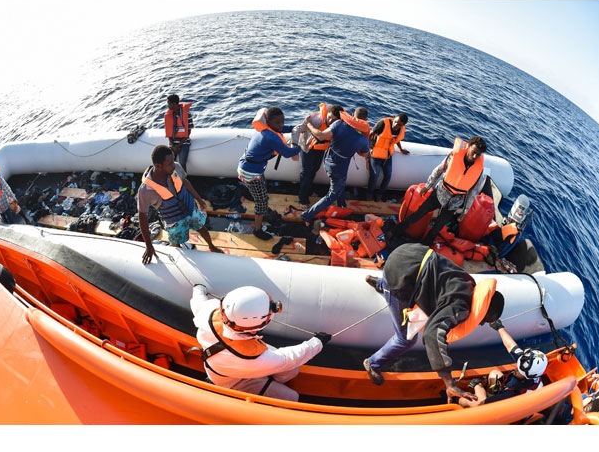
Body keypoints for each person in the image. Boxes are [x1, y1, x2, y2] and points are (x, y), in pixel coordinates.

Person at [362, 243, 504, 403]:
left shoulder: (468, 282)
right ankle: (373, 363)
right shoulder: (461, 308)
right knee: (406, 339)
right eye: (483, 320)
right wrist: (450, 383)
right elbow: (432, 333)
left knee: (417, 288)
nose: (480, 324)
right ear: (482, 311)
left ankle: (380, 284)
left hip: (406, 253)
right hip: (400, 275)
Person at [191, 284, 331, 401]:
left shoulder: (209, 312)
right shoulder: (252, 358)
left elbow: (198, 302)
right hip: (234, 382)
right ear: (256, 327)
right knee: (291, 397)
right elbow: (288, 358)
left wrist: (199, 289)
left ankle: (267, 379)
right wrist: (317, 342)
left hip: (223, 367)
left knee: (291, 369)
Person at [394, 136, 487, 246]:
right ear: (468, 147)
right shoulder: (453, 156)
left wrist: (465, 211)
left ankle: (425, 246)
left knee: (437, 227)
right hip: (439, 194)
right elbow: (439, 170)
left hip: (454, 203)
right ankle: (396, 231)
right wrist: (428, 185)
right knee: (418, 214)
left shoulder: (479, 170)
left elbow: (472, 191)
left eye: (478, 154)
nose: (475, 156)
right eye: (474, 152)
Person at [137, 145, 222, 264]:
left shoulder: (175, 167)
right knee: (176, 244)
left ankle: (211, 246)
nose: (174, 165)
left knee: (201, 227)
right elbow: (142, 216)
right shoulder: (145, 190)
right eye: (170, 163)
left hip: (190, 208)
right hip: (175, 221)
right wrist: (149, 246)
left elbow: (185, 182)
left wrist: (199, 199)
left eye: (173, 161)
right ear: (158, 166)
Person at [238, 107, 301, 240]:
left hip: (250, 167)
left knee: (261, 193)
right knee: (261, 202)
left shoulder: (267, 129)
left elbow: (282, 129)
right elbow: (287, 153)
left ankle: (254, 197)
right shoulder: (271, 137)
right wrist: (301, 147)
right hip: (251, 172)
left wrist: (299, 127)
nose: (281, 125)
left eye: (282, 121)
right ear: (269, 121)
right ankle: (257, 230)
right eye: (278, 122)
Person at [300, 107, 371, 224]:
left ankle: (341, 204)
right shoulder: (363, 139)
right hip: (338, 169)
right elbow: (363, 153)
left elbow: (321, 135)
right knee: (332, 195)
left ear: (353, 114)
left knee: (340, 184)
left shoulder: (338, 123)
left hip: (327, 161)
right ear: (366, 120)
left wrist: (308, 124)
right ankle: (306, 215)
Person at [458, 319, 549, 408]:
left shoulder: (513, 394)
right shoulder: (530, 368)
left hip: (504, 407)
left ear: (525, 376)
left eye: (518, 370)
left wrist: (478, 387)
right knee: (494, 374)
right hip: (506, 391)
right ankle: (489, 394)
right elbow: (511, 346)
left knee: (462, 401)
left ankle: (462, 400)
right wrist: (499, 327)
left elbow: (483, 405)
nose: (516, 368)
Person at [297, 103, 343, 208]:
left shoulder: (338, 124)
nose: (330, 121)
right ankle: (302, 199)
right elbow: (301, 130)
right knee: (306, 172)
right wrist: (301, 146)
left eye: (334, 120)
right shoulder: (317, 120)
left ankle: (308, 191)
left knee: (315, 169)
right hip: (307, 145)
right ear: (328, 113)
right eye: (330, 117)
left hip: (320, 147)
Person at [367, 113, 410, 202]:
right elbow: (371, 134)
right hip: (375, 152)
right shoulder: (383, 124)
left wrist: (401, 149)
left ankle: (379, 195)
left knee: (388, 176)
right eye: (395, 122)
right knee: (375, 175)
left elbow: (396, 139)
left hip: (387, 154)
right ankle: (369, 195)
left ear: (403, 125)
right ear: (394, 119)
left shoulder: (401, 129)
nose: (395, 125)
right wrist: (368, 148)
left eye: (399, 124)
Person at [164, 94, 194, 172]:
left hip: (184, 143)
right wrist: (173, 146)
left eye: (169, 103)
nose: (168, 105)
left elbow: (188, 132)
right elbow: (169, 132)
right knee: (168, 162)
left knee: (182, 163)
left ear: (174, 104)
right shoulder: (169, 115)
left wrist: (179, 145)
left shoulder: (187, 114)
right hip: (172, 143)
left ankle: (183, 181)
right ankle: (171, 180)